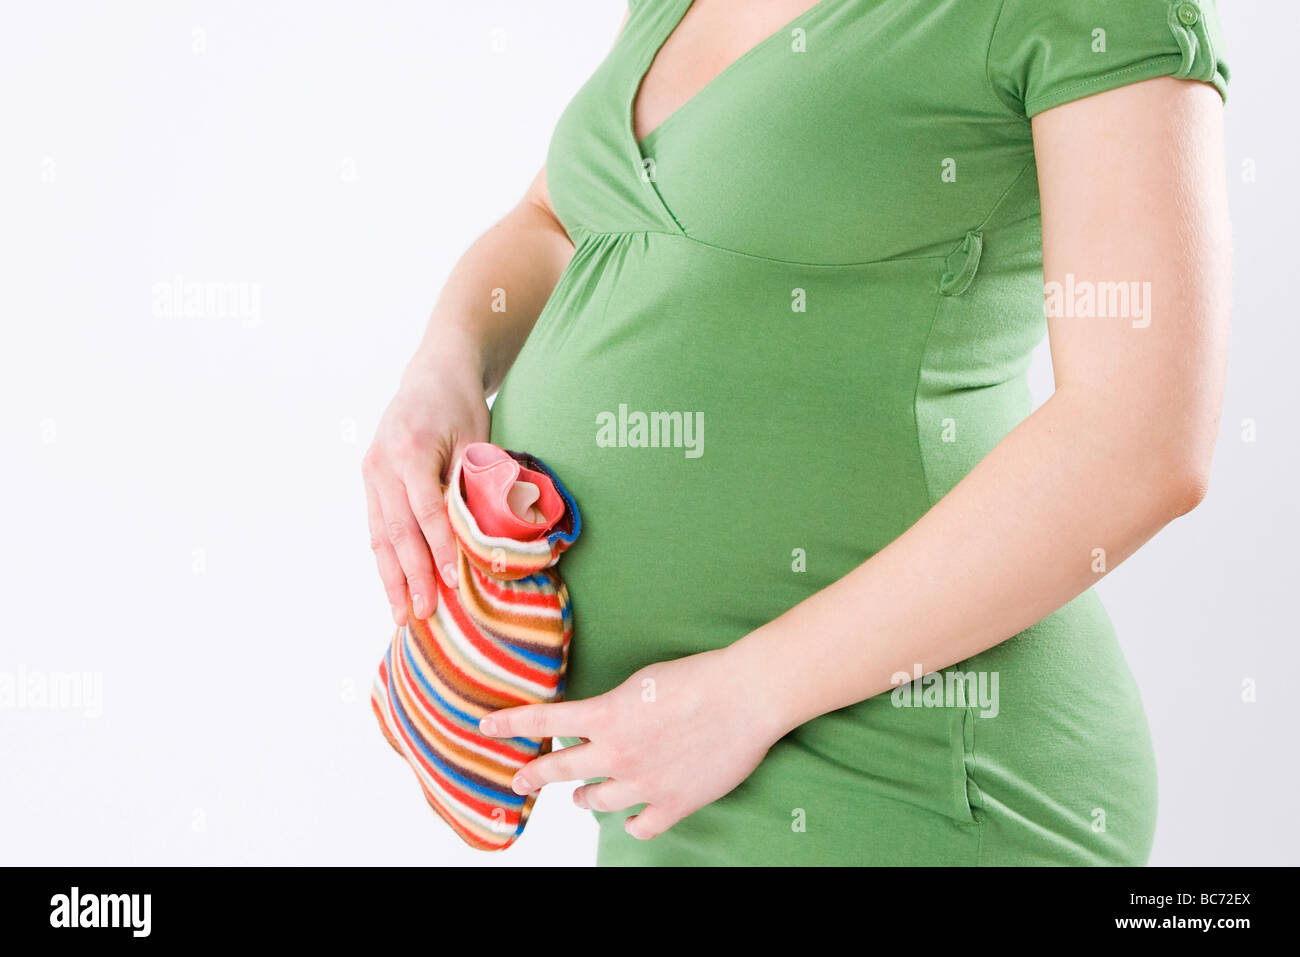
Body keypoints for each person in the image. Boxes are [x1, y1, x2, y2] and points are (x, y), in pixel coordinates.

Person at [363, 0, 1232, 865]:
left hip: (912, 779)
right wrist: (444, 368)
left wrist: (749, 695)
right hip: (666, 782)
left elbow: (1139, 439)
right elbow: (559, 225)